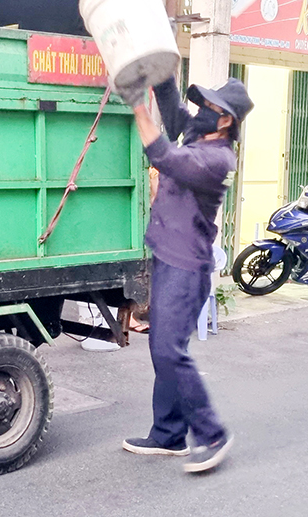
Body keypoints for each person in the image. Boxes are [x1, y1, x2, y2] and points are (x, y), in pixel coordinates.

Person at [120, 75, 253, 473]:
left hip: (185, 265)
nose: (199, 112)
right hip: (169, 255)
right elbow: (177, 118)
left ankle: (212, 434)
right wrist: (161, 77)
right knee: (163, 347)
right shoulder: (201, 134)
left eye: (208, 108)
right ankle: (168, 434)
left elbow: (164, 154)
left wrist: (136, 105)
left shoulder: (216, 160)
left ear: (225, 120)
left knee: (167, 350)